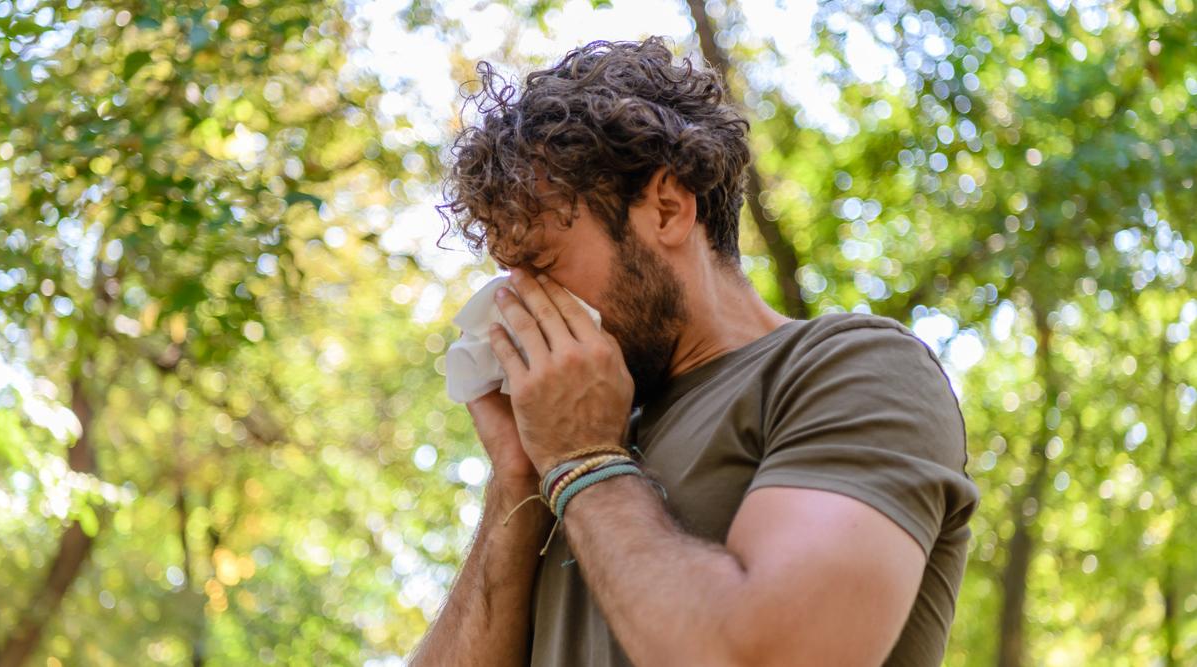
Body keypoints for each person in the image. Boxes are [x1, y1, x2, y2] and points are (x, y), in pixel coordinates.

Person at [411, 36, 980, 666]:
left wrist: (584, 462)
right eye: (509, 274)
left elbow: (771, 657)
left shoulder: (852, 368)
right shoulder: (571, 437)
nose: (520, 305)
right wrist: (519, 476)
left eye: (542, 264)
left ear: (667, 207)